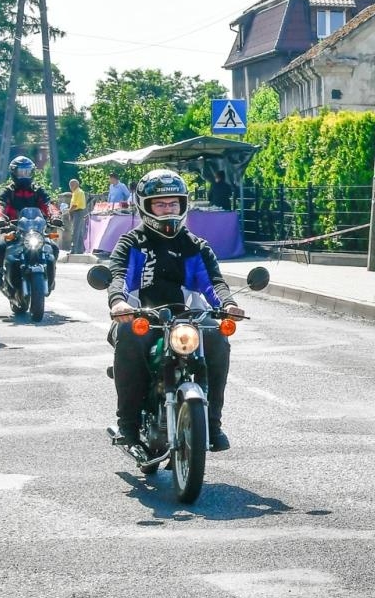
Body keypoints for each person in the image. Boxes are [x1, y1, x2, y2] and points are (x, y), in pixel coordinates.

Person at [106, 169, 244, 453]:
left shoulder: (196, 246)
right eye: (160, 203)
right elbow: (118, 276)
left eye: (173, 203)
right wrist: (118, 303)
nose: (167, 209)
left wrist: (228, 305)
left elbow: (213, 282)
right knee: (129, 335)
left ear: (183, 205)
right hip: (143, 317)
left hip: (188, 319)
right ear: (145, 205)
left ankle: (213, 424)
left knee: (219, 336)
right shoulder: (131, 243)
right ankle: (128, 426)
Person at [0, 156, 56, 298]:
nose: (24, 176)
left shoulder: (37, 190)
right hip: (14, 228)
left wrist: (55, 216)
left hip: (35, 230)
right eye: (21, 172)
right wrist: (0, 218)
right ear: (14, 173)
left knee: (54, 247)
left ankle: (51, 274)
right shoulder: (8, 191)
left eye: (27, 172)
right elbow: (0, 206)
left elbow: (48, 205)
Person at [65, 178, 87, 254]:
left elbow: (75, 205)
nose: (70, 187)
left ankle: (74, 249)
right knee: (79, 232)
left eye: (71, 185)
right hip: (77, 212)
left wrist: (69, 211)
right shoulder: (76, 192)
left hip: (78, 212)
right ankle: (80, 249)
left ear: (75, 185)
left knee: (75, 231)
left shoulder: (78, 192)